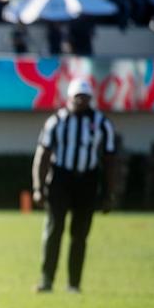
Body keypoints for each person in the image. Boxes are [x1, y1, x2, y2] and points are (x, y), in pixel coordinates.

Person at [32, 78, 118, 293]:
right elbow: (42, 156)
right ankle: (46, 280)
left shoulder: (101, 123)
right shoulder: (56, 121)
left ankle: (73, 284)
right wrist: (38, 187)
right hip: (61, 179)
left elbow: (109, 160)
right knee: (54, 230)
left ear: (91, 99)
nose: (81, 101)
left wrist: (109, 193)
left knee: (80, 235)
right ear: (69, 98)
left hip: (87, 180)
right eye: (77, 97)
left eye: (85, 98)